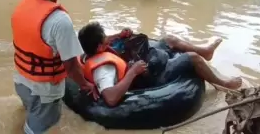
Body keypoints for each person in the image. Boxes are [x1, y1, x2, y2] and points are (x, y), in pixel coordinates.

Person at [11, 0, 98, 134]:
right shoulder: (60, 21)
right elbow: (72, 67)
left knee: (30, 116)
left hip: (21, 82)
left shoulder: (23, 3)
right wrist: (85, 84)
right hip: (44, 92)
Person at [77, 22, 242, 107]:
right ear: (99, 46)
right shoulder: (103, 70)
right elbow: (111, 98)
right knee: (192, 58)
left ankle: (206, 51)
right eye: (104, 36)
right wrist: (132, 72)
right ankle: (224, 83)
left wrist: (120, 35)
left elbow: (107, 42)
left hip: (141, 67)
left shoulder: (95, 49)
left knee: (169, 39)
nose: (108, 37)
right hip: (148, 80)